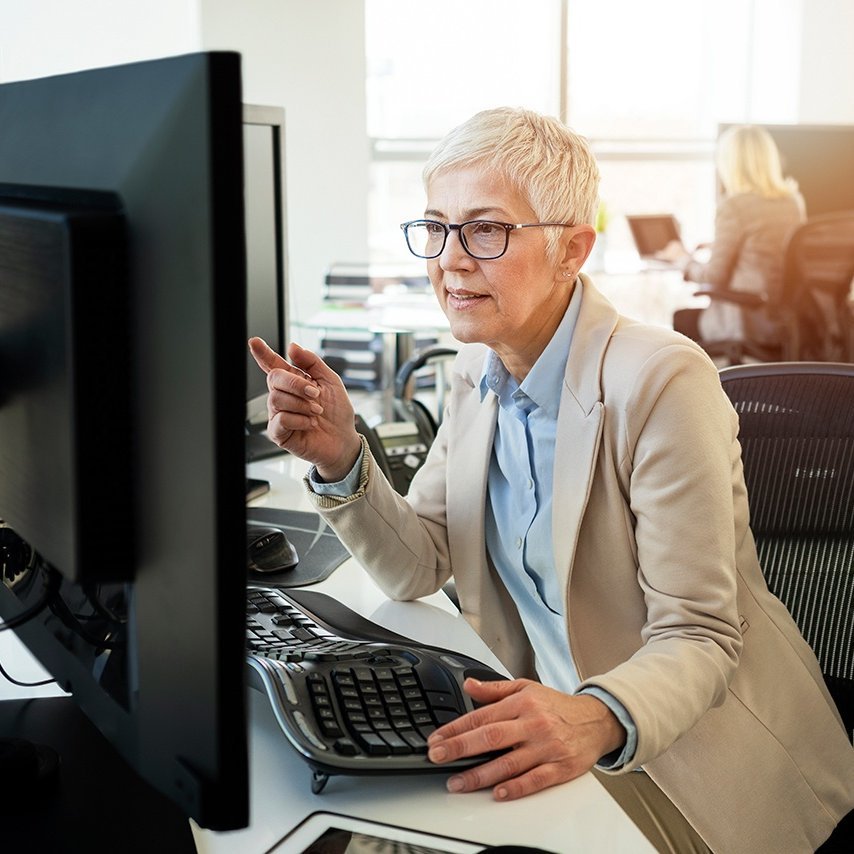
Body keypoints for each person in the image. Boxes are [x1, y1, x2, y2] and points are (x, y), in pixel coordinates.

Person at [249, 107, 854, 853]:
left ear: (572, 249)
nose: (451, 259)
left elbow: (698, 635)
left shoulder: (662, 382)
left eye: (487, 229)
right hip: (551, 718)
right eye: (436, 227)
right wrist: (342, 457)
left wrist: (592, 717)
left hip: (685, 755)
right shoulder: (477, 367)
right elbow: (419, 564)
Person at [671, 124, 805, 350]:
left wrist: (682, 259)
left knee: (681, 319)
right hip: (783, 320)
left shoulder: (734, 206)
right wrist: (718, 246)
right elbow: (771, 247)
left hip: (744, 321)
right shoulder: (793, 201)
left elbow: (714, 277)